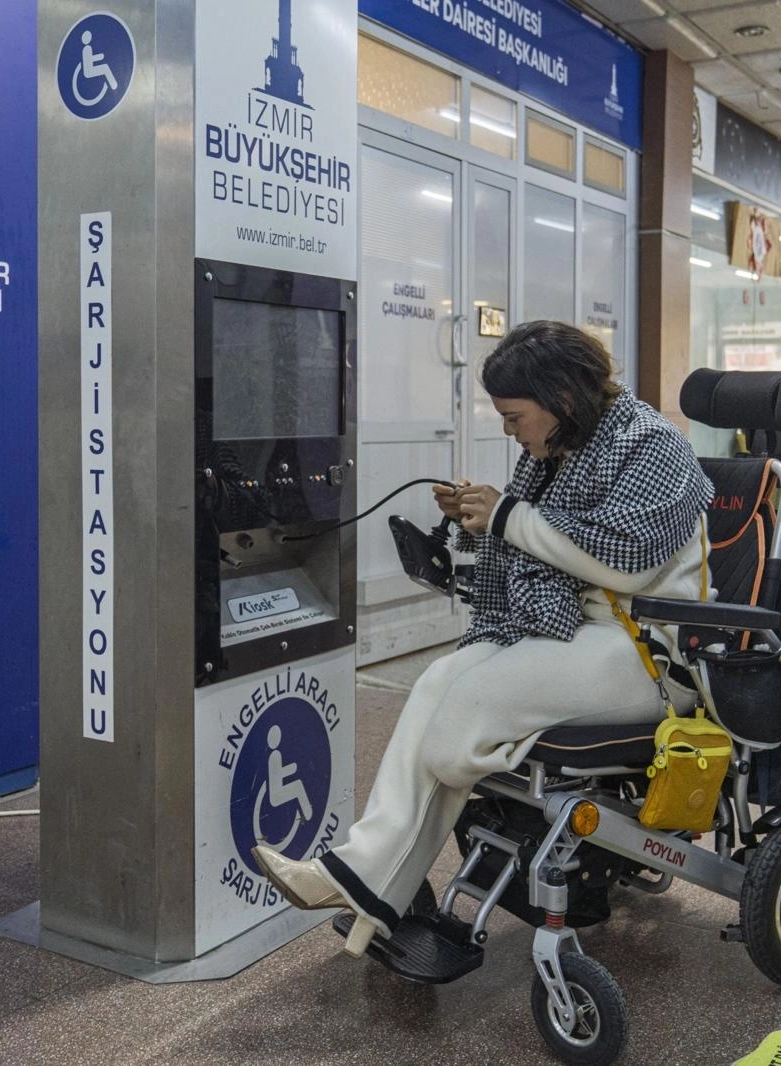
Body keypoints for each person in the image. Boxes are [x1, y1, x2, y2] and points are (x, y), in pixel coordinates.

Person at [252, 320, 714, 956]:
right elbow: (536, 535)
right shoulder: (566, 447)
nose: (508, 430)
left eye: (514, 416)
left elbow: (625, 562)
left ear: (562, 398)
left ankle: (379, 876)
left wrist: (504, 515)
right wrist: (483, 517)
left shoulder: (652, 444)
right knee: (438, 681)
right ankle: (361, 877)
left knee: (465, 712)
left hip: (646, 652)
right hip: (579, 630)